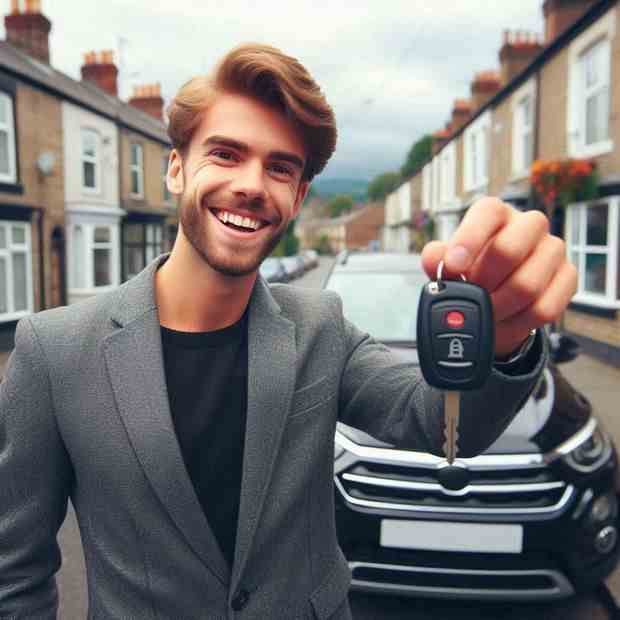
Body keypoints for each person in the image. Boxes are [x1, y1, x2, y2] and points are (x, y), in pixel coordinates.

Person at [0, 43, 576, 620]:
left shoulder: (320, 327)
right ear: (176, 168)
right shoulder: (53, 353)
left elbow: (437, 426)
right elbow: (14, 571)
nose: (252, 185)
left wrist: (505, 341)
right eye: (225, 154)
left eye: (280, 167)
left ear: (299, 197)